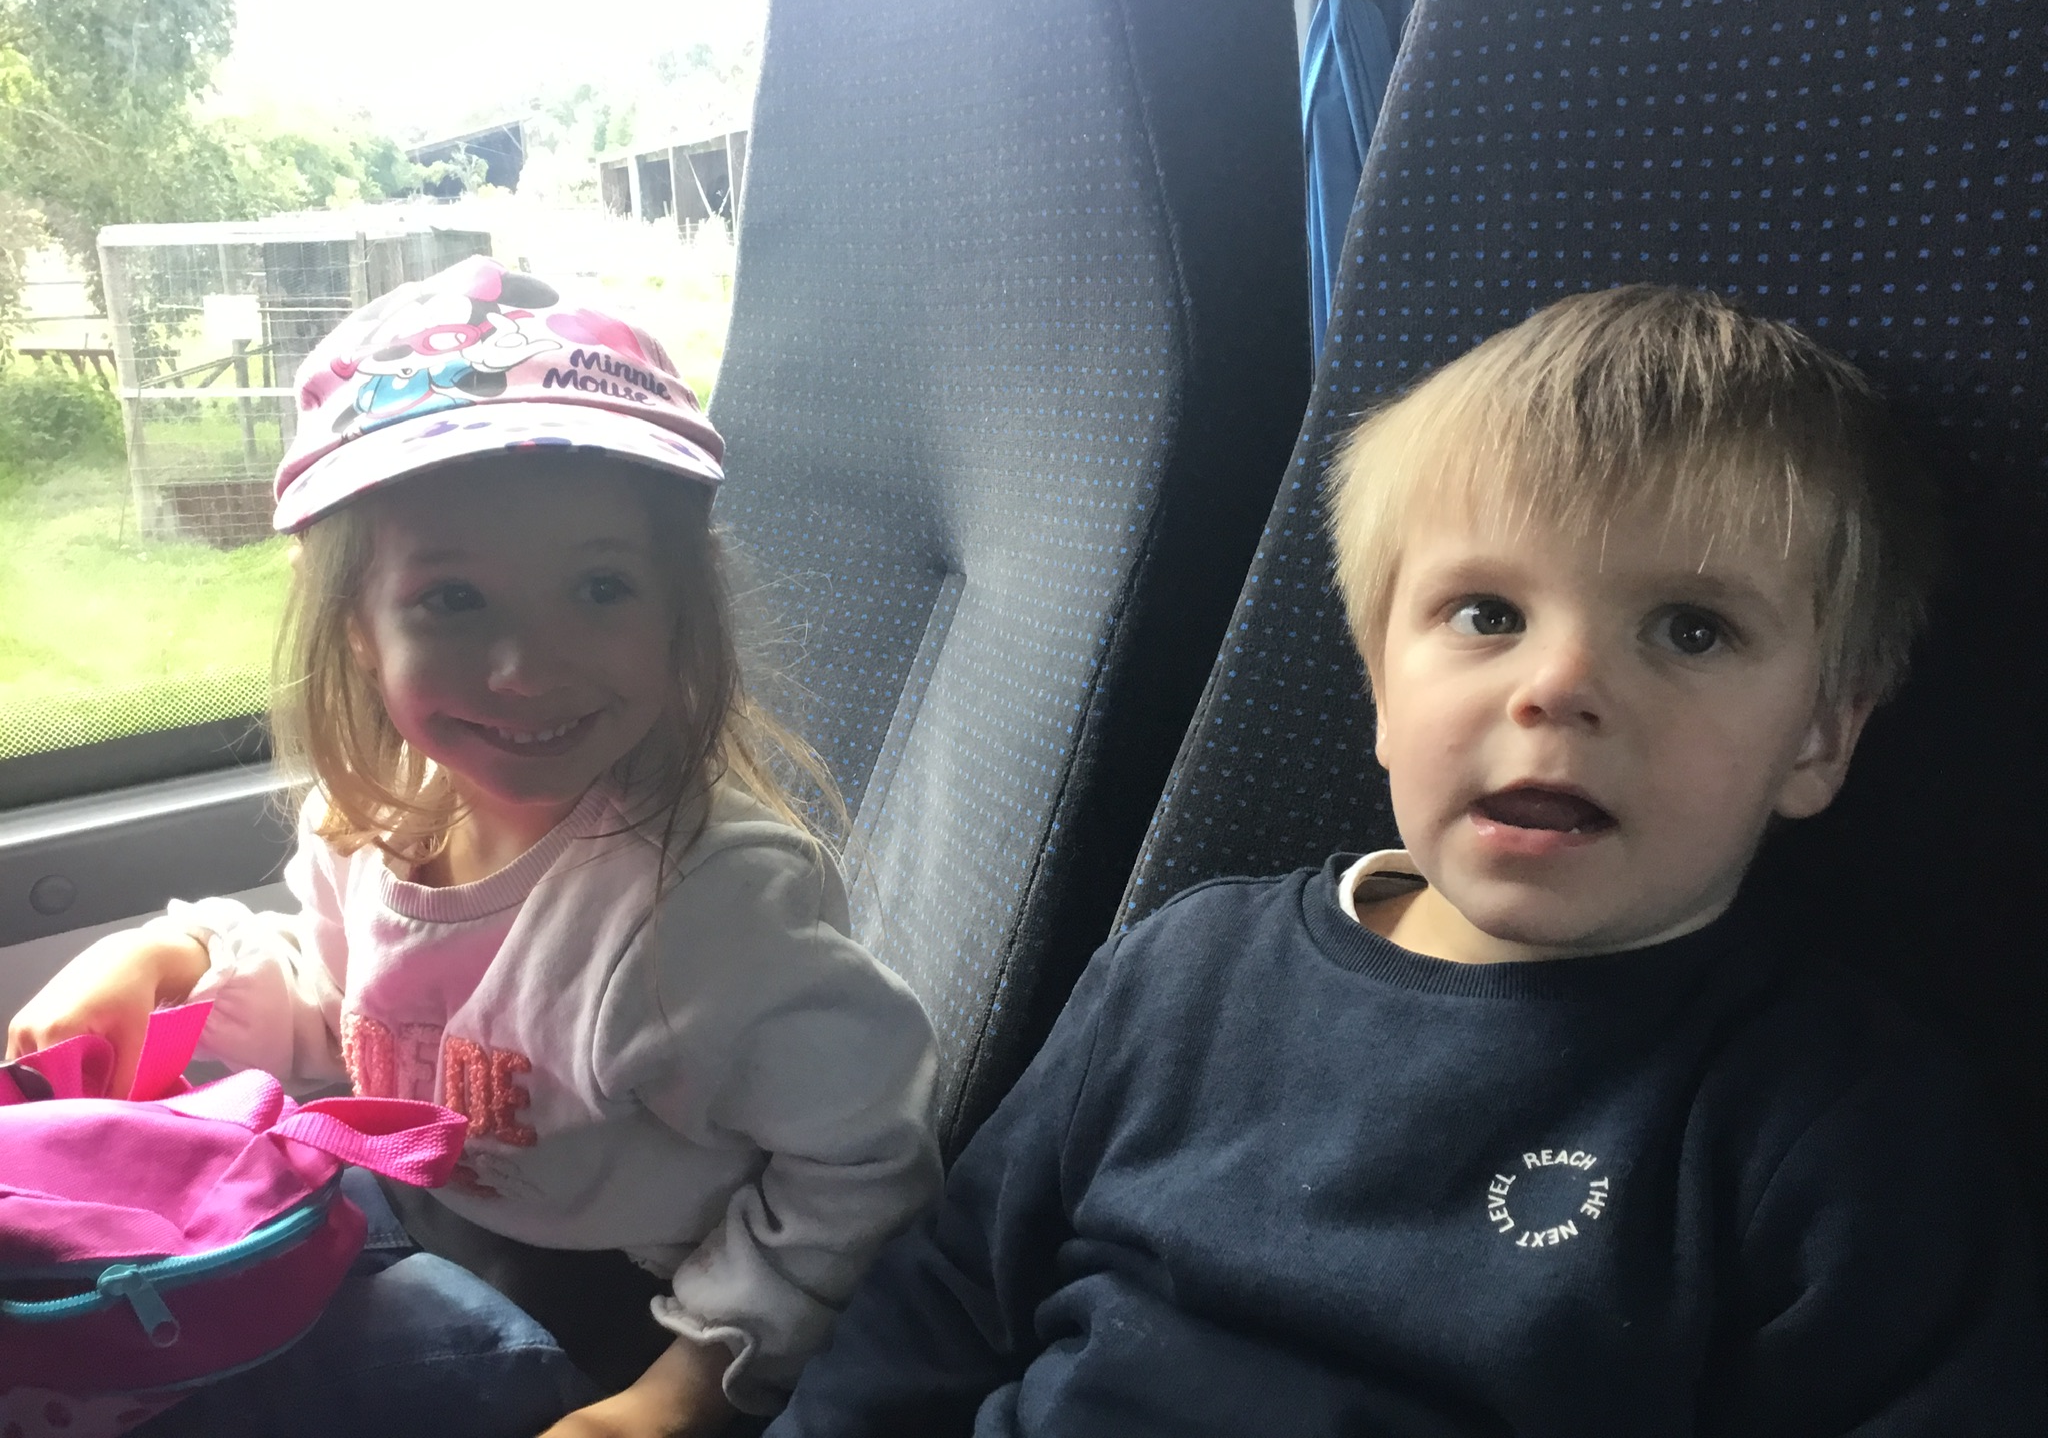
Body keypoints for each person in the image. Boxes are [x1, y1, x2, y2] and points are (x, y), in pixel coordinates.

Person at [764, 286, 2048, 1435]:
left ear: (1819, 739)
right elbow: (937, 1309)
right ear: (1381, 687)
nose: (1558, 686)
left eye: (1690, 630)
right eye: (1487, 614)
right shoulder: (1181, 972)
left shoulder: (1833, 1129)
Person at [6, 257, 942, 1438]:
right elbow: (356, 1017)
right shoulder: (378, 818)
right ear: (355, 626)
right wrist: (169, 959)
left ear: (678, 605)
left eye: (599, 587)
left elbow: (864, 1167)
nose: (525, 668)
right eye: (453, 601)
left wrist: (680, 1394)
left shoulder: (703, 910)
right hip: (421, 1210)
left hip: (624, 1306)